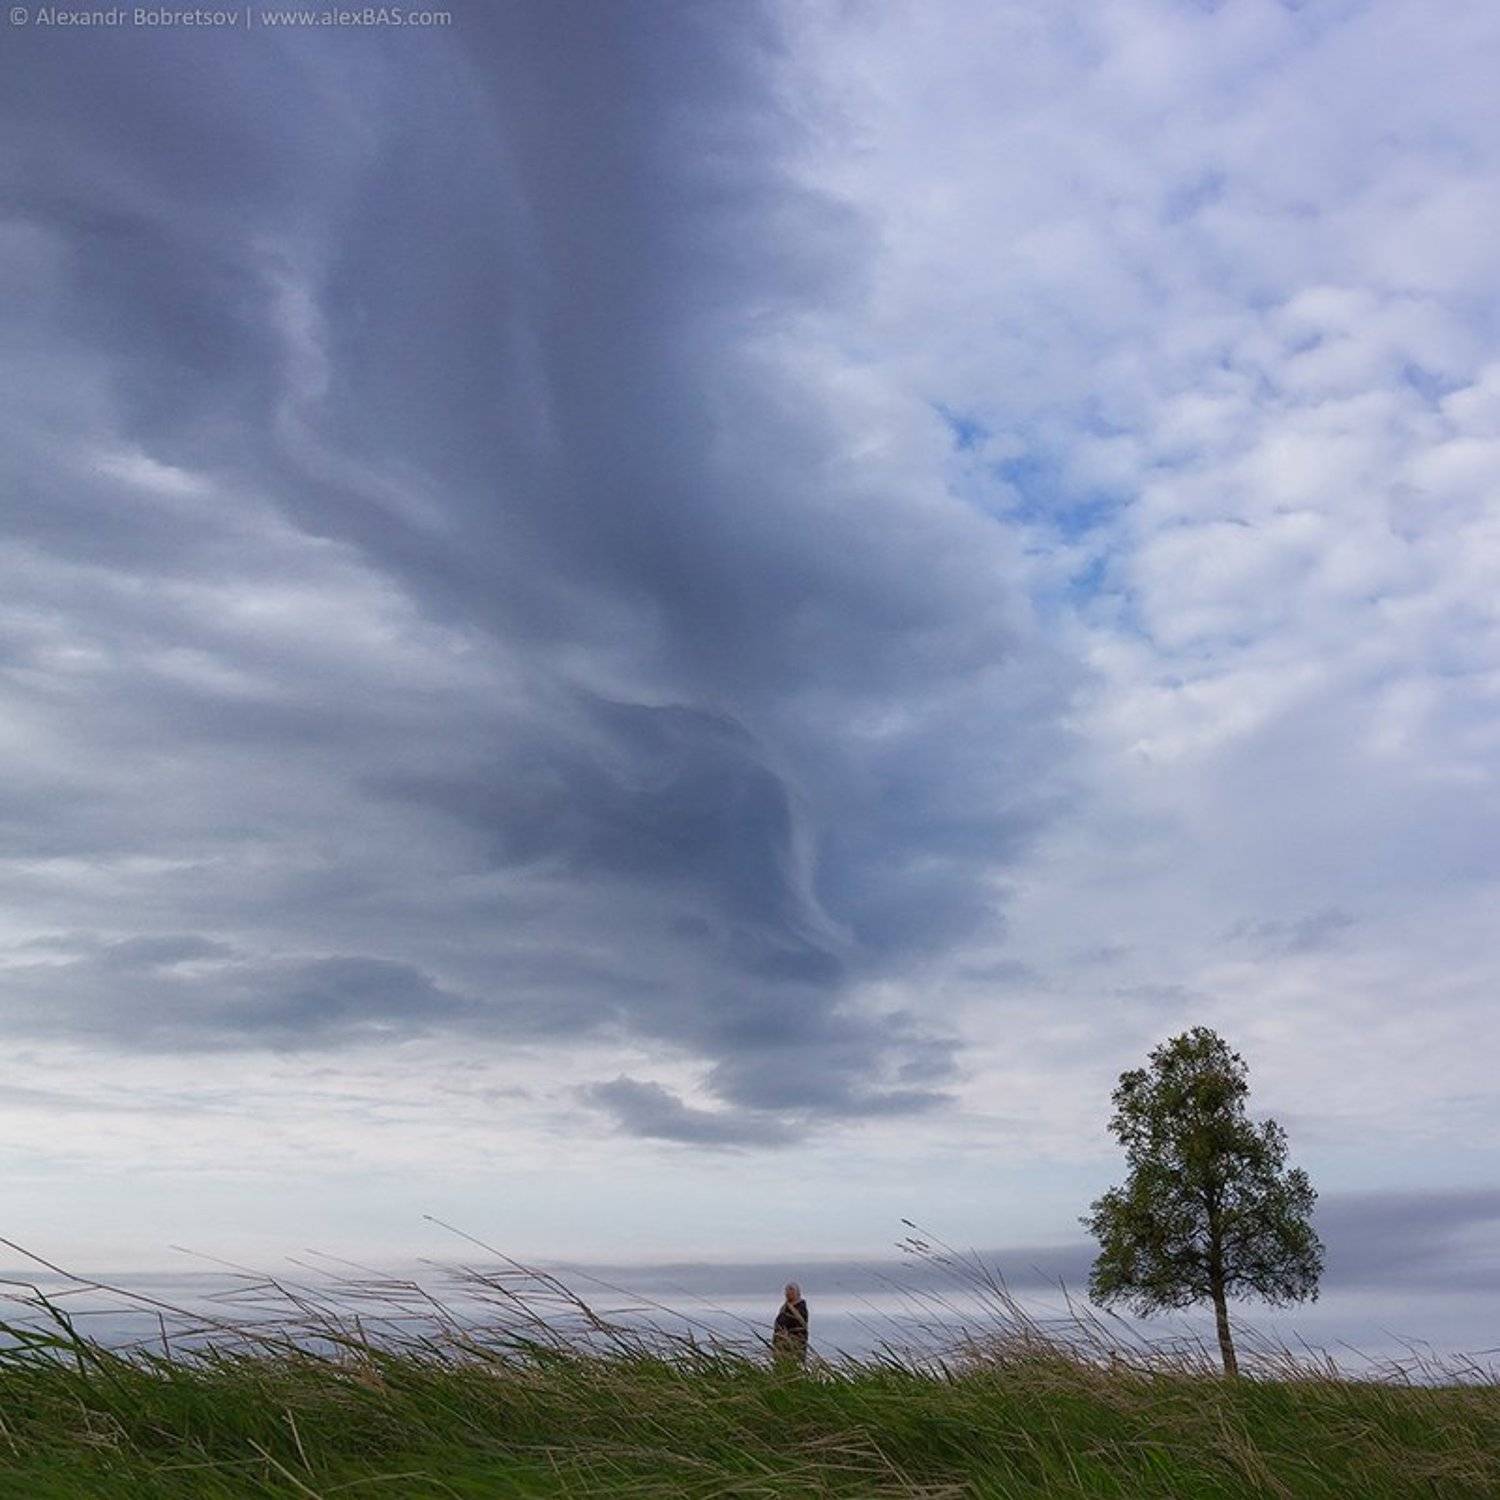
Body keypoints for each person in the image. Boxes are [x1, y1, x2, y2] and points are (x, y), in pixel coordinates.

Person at [772, 1281, 808, 1365]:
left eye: (791, 1290)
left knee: (793, 1364)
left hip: (794, 1345)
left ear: (797, 1293)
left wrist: (788, 1336)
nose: (788, 1293)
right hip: (781, 1345)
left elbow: (800, 1325)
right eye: (787, 1290)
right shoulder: (784, 1308)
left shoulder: (801, 1308)